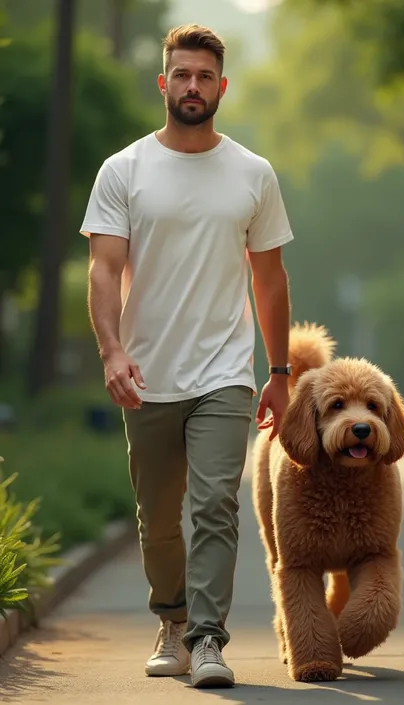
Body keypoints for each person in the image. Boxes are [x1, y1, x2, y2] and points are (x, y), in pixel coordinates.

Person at [80, 23, 293, 689]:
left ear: (221, 86)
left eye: (205, 76)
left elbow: (270, 278)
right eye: (183, 74)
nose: (193, 85)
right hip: (145, 374)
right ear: (163, 82)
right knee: (159, 517)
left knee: (213, 505)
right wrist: (112, 351)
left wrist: (280, 372)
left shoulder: (252, 174)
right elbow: (102, 269)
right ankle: (170, 620)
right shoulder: (124, 170)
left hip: (225, 375)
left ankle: (206, 637)